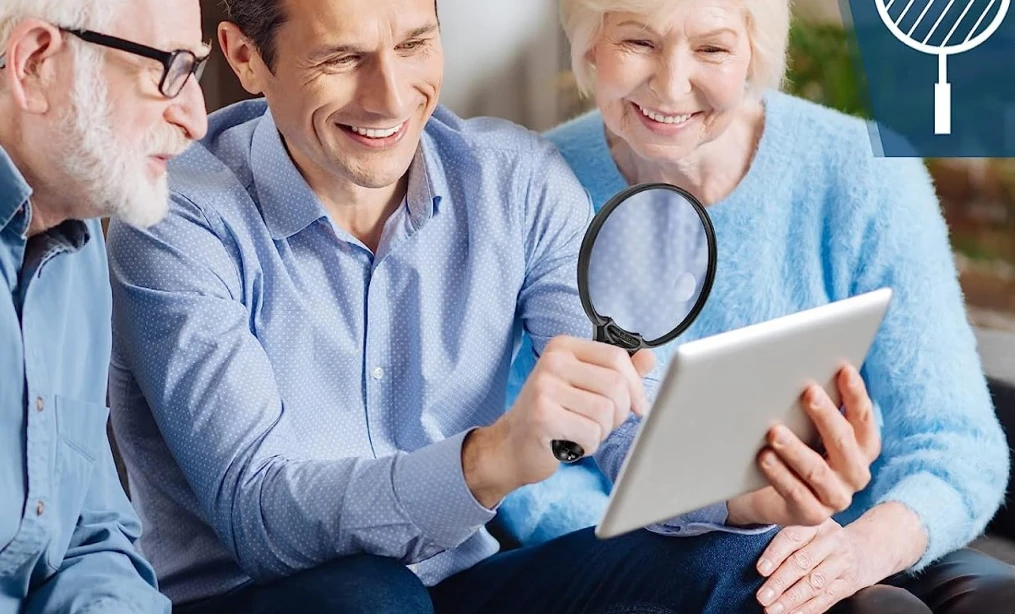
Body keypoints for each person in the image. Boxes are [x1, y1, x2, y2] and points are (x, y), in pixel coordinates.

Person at [105, 0, 884, 612]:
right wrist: (491, 460)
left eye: (415, 44)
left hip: (466, 588)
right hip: (268, 596)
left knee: (741, 568)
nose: (390, 97)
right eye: (342, 57)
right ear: (245, 56)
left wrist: (737, 492)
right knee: (371, 594)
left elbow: (618, 414)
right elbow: (261, 518)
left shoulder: (514, 179)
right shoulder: (173, 218)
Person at [502, 0, 1015, 613]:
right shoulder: (531, 185)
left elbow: (956, 442)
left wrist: (860, 551)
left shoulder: (862, 170)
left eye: (713, 48)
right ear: (590, 45)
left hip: (854, 535)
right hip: (627, 556)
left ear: (755, 52)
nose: (671, 86)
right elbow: (523, 470)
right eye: (637, 43)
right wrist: (705, 550)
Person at [0, 0, 208, 611]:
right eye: (167, 68)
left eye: (196, 67)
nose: (196, 117)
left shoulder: (78, 240)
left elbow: (89, 537)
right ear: (34, 63)